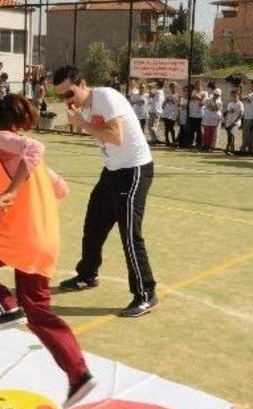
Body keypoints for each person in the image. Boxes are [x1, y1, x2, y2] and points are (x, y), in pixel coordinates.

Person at [0, 90, 96, 408]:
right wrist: (14, 195)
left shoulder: (2, 139)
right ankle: (79, 375)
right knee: (38, 313)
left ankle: (2, 306)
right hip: (44, 242)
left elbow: (34, 146)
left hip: (18, 238)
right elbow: (61, 189)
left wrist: (10, 192)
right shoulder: (25, 159)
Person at [53, 65, 158, 317]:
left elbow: (116, 136)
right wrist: (83, 120)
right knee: (94, 225)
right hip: (112, 170)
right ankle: (87, 274)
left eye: (69, 93)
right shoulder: (86, 106)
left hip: (133, 170)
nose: (66, 100)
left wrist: (82, 123)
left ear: (82, 84)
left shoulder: (105, 98)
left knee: (130, 235)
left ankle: (146, 293)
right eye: (61, 96)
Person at [240, 80, 253, 154]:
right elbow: (241, 99)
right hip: (247, 117)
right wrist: (241, 89)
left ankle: (251, 150)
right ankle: (243, 149)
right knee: (245, 134)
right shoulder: (250, 95)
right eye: (252, 86)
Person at [224, 89, 244, 155]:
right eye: (232, 96)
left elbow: (241, 114)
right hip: (229, 122)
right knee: (229, 135)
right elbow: (227, 112)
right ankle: (230, 148)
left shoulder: (240, 104)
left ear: (238, 96)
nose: (234, 97)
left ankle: (230, 147)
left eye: (235, 96)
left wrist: (236, 120)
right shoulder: (230, 103)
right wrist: (227, 113)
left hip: (236, 123)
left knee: (232, 133)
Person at [188, 80, 206, 148]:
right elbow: (190, 100)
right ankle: (190, 143)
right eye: (196, 85)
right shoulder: (193, 92)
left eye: (198, 85)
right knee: (191, 129)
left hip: (200, 114)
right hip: (192, 113)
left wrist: (198, 98)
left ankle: (199, 143)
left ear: (201, 85)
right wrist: (193, 98)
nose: (197, 86)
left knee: (199, 130)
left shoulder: (204, 93)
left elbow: (203, 102)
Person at [161, 82, 179, 146]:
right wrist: (165, 102)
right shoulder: (167, 95)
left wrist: (174, 102)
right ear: (170, 88)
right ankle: (167, 140)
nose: (173, 88)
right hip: (166, 112)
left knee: (171, 127)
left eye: (174, 87)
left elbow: (178, 104)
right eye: (171, 87)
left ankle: (173, 140)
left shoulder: (178, 95)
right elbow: (163, 105)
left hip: (173, 113)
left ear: (176, 87)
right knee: (166, 127)